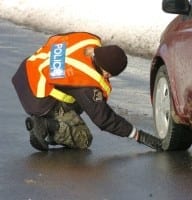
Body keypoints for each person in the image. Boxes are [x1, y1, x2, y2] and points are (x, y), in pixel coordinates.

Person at [12, 32, 160, 151]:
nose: (108, 78)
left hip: (27, 70)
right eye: (110, 74)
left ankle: (50, 122)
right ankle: (46, 125)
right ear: (107, 72)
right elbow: (104, 120)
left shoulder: (86, 41)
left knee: (80, 102)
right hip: (37, 97)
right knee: (84, 139)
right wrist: (138, 135)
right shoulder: (85, 83)